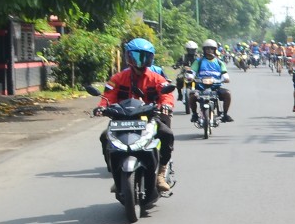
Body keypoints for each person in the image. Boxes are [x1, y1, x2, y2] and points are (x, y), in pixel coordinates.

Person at [96, 37, 176, 191]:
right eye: (136, 56)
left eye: (144, 56)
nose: (140, 61)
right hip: (122, 118)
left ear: (150, 58)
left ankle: (161, 172)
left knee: (167, 134)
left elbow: (166, 94)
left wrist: (166, 105)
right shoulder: (118, 78)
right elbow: (108, 96)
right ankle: (117, 174)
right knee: (105, 137)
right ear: (128, 56)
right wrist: (102, 107)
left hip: (149, 117)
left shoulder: (156, 78)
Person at [189, 38, 234, 123]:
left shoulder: (219, 62)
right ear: (204, 50)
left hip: (215, 87)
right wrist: (190, 76)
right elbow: (193, 71)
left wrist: (225, 78)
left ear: (215, 50)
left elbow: (224, 73)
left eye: (211, 48)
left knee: (227, 94)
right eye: (207, 48)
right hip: (201, 87)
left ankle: (225, 114)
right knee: (192, 95)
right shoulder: (198, 61)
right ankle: (194, 114)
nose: (209, 50)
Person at [172, 40, 200, 109]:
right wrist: (176, 65)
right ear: (187, 49)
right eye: (190, 50)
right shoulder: (183, 57)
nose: (192, 51)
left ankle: (203, 95)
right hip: (185, 73)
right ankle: (180, 94)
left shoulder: (198, 57)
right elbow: (178, 63)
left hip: (195, 73)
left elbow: (202, 63)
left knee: (202, 81)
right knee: (179, 79)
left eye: (193, 50)